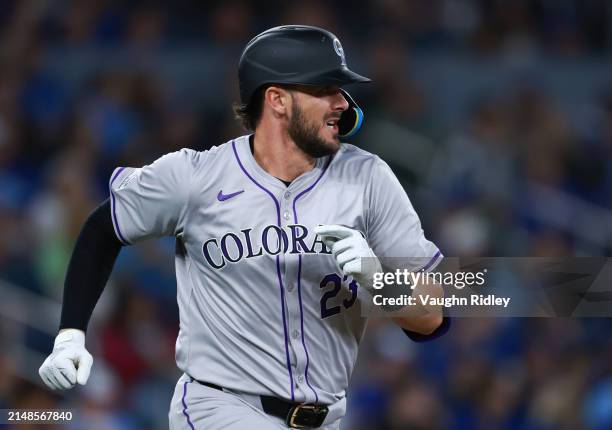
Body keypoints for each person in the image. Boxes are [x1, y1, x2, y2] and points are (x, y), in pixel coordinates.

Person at [39, 25, 447, 429]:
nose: (342, 102)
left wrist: (380, 281)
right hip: (221, 408)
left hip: (326, 417)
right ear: (277, 100)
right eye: (325, 89)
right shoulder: (196, 177)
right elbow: (103, 228)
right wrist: (70, 332)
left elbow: (432, 318)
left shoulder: (368, 178)